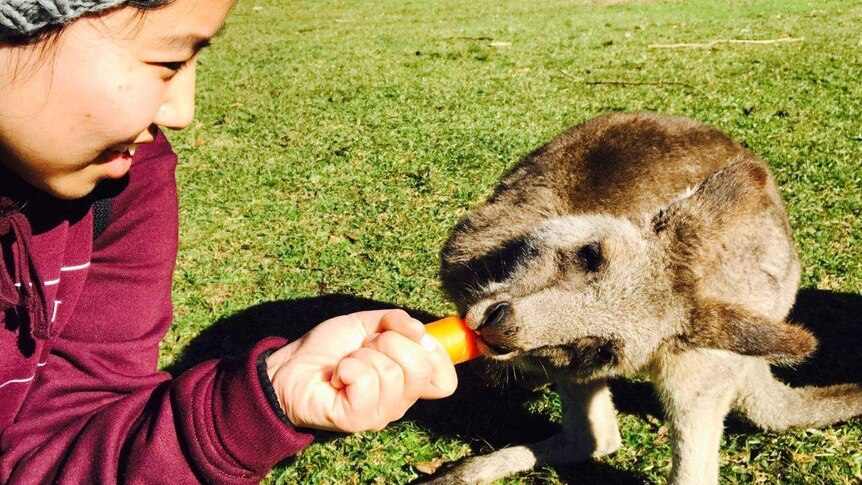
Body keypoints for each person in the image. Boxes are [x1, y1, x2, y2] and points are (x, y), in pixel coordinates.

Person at [0, 1, 458, 483]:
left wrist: (260, 403)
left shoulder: (123, 188)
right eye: (168, 63)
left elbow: (61, 448)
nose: (182, 112)